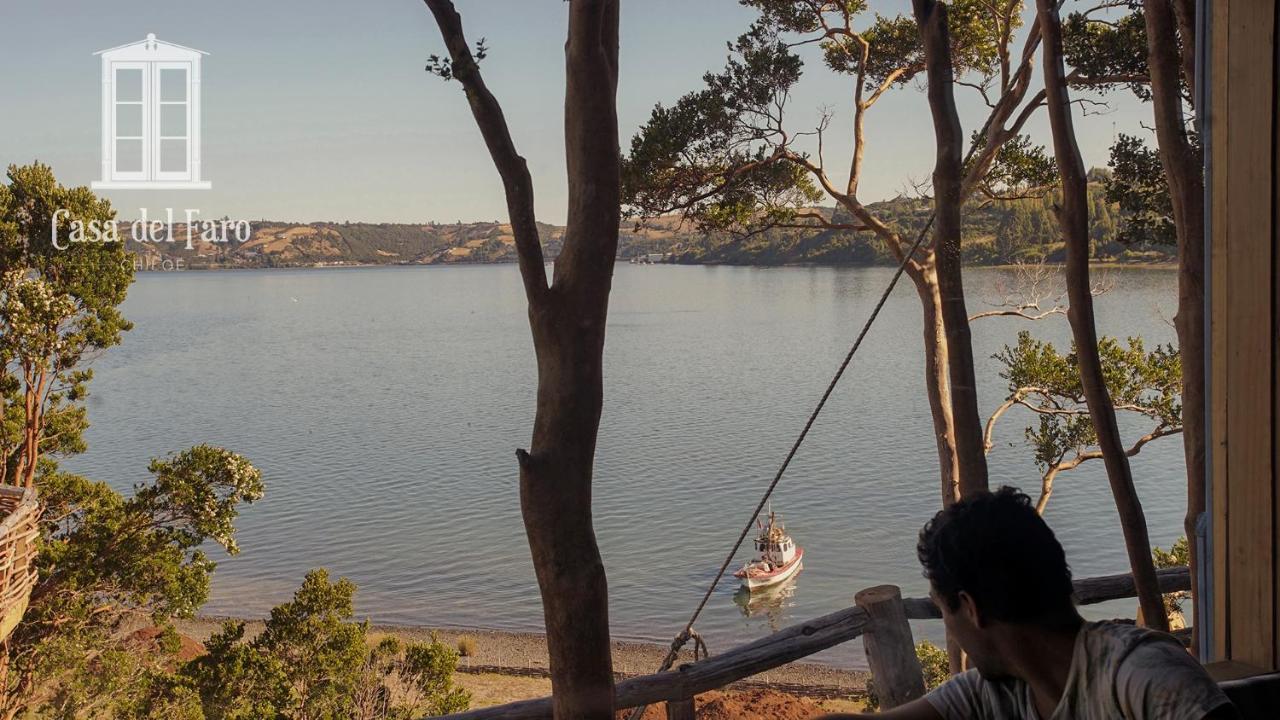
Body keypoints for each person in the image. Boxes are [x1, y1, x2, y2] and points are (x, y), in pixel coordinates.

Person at [823, 487, 1236, 720]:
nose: (949, 627)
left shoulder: (1141, 676)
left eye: (943, 611)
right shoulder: (995, 694)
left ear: (971, 607)